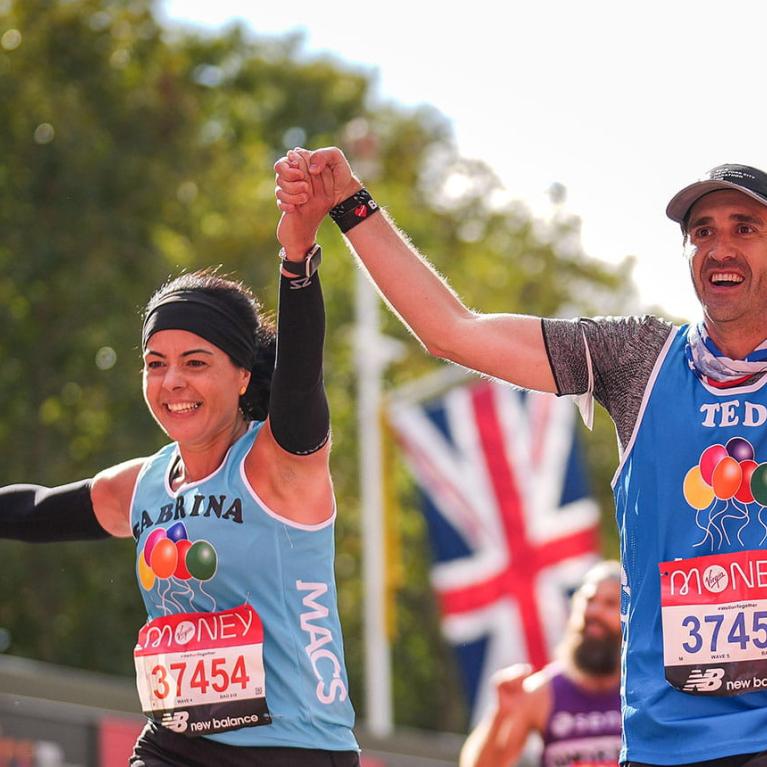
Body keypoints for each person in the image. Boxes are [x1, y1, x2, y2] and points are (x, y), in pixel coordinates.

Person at [275, 152, 767, 766]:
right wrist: (351, 204)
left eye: (745, 228)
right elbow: (452, 332)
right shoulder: (641, 357)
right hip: (663, 743)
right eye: (703, 232)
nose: (720, 247)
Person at [0, 169, 360, 765]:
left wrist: (296, 260)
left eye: (195, 362)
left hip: (293, 750)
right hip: (178, 745)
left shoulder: (279, 467)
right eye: (155, 363)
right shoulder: (142, 484)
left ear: (243, 375)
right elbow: (31, 510)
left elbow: (300, 376)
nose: (172, 383)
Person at [460, 560, 622, 767]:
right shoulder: (543, 692)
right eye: (589, 600)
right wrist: (500, 715)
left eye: (610, 603)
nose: (594, 611)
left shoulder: (644, 689)